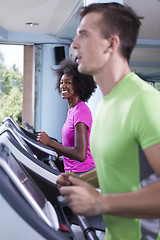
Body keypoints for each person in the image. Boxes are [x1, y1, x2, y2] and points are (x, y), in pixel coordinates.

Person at [57, 3, 160, 240]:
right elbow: (116, 167)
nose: (74, 44)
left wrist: (101, 202)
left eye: (83, 34)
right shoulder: (105, 104)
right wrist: (79, 180)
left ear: (111, 44)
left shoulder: (145, 102)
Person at [37, 58, 96, 174]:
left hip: (83, 173)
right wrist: (57, 149)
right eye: (61, 82)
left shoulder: (81, 112)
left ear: (79, 85)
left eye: (68, 82)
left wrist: (50, 142)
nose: (63, 86)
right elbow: (71, 145)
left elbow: (80, 154)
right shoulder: (72, 110)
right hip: (72, 172)